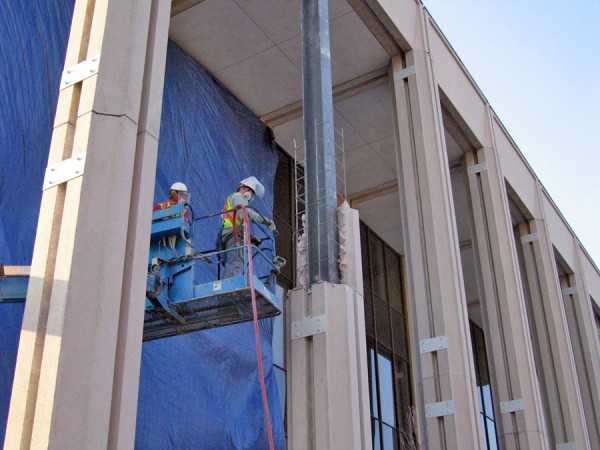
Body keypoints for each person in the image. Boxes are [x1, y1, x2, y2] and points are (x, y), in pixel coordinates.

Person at [221, 176, 276, 278]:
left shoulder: (236, 199)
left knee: (236, 261)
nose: (250, 195)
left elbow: (241, 220)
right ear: (245, 189)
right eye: (250, 192)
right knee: (235, 262)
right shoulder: (238, 197)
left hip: (232, 233)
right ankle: (231, 286)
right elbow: (245, 212)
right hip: (232, 235)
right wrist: (266, 221)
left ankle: (231, 283)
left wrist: (251, 238)